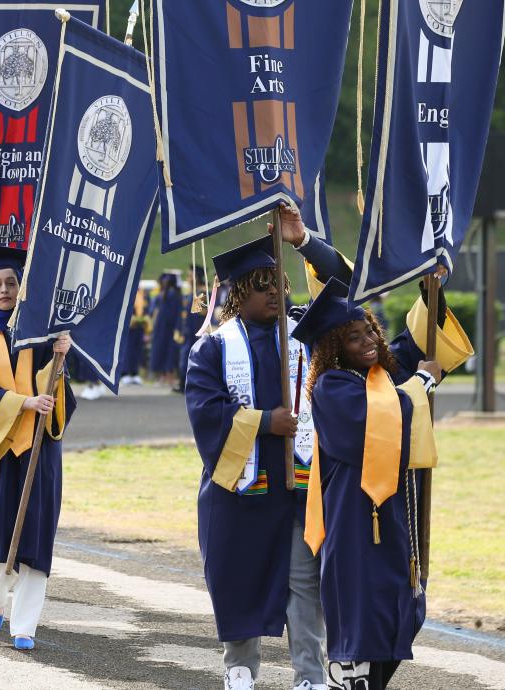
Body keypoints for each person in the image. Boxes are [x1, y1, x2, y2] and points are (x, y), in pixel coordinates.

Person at [185, 204, 354, 690]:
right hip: (241, 485)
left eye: (279, 281)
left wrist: (301, 239)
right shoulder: (213, 346)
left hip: (299, 485)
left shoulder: (307, 333)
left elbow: (345, 288)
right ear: (239, 293)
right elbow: (205, 414)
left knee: (305, 583)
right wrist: (265, 423)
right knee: (238, 575)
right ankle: (239, 668)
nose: (276, 291)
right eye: (262, 284)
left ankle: (309, 674)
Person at [294, 277, 472, 690]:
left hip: (390, 522)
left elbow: (422, 337)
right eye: (353, 337)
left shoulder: (382, 374)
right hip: (354, 526)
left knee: (402, 614)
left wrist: (433, 286)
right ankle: (348, 680)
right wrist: (423, 383)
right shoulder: (332, 386)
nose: (368, 341)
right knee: (361, 622)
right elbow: (378, 424)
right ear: (334, 347)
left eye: (370, 330)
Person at [0, 245, 75, 651]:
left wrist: (59, 359)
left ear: (23, 287)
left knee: (37, 532)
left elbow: (58, 390)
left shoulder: (43, 333)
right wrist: (22, 403)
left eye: (12, 282)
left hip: (40, 448)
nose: (5, 289)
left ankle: (25, 625)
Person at [173, 267, 208, 394]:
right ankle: (183, 383)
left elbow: (203, 313)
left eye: (190, 275)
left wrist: (198, 300)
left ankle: (191, 385)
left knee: (195, 359)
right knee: (183, 359)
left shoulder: (202, 293)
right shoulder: (189, 294)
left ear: (196, 277)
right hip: (187, 332)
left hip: (197, 331)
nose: (188, 278)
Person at [149, 271, 181, 385]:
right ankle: (164, 376)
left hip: (167, 329)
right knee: (164, 352)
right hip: (164, 328)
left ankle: (168, 377)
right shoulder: (167, 294)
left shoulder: (171, 295)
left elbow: (172, 313)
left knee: (167, 352)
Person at [119, 284, 151, 386]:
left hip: (140, 326)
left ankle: (134, 372)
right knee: (127, 349)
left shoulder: (143, 292)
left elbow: (147, 307)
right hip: (128, 326)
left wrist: (146, 317)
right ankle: (124, 373)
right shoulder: (126, 289)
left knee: (137, 349)